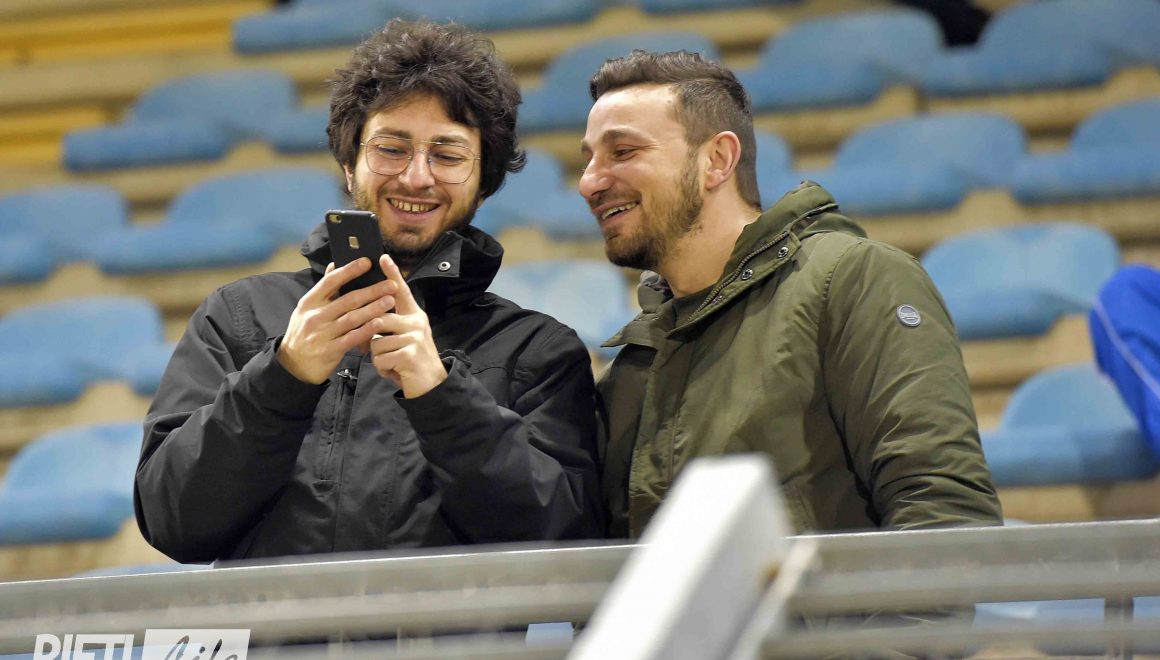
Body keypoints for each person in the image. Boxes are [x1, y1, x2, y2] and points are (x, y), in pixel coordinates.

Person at [135, 19, 603, 563]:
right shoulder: (237, 316)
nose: (416, 177)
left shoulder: (539, 351)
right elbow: (172, 521)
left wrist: (442, 396)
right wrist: (282, 376)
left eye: (448, 155)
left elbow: (562, 539)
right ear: (348, 163)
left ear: (484, 182)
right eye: (391, 148)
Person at [580, 50, 1003, 539]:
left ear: (717, 160)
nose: (589, 182)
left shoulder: (852, 279)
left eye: (623, 152)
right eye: (587, 158)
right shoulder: (633, 366)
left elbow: (943, 516)